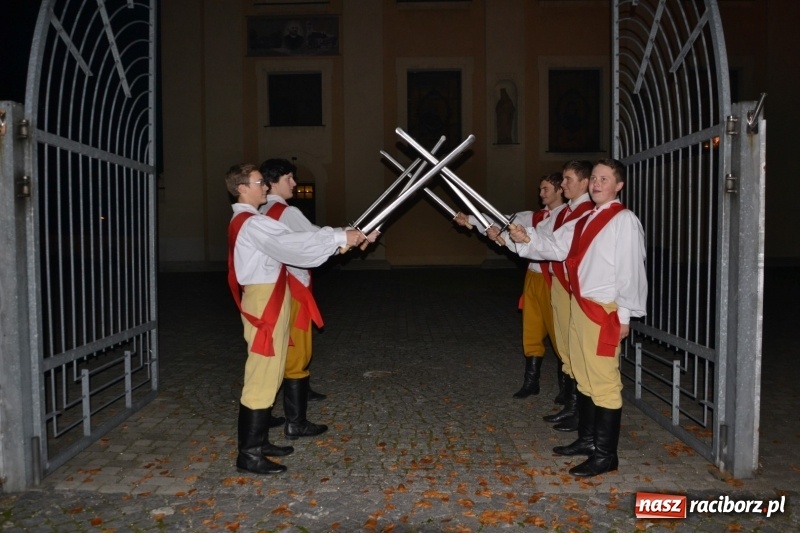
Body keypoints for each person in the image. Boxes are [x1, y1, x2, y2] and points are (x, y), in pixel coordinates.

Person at [226, 163, 375, 475]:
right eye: (258, 183)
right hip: (266, 299)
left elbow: (292, 245)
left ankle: (260, 442)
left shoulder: (252, 220)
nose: (264, 187)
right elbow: (293, 244)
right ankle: (249, 454)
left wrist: (341, 238)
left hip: (272, 294)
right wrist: (339, 237)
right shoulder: (252, 223)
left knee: (274, 368)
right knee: (263, 374)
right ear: (241, 188)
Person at [508, 158, 647, 477]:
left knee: (604, 382)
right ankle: (587, 439)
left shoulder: (623, 220)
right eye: (595, 178)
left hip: (603, 310)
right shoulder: (586, 219)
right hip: (580, 305)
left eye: (604, 179)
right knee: (583, 376)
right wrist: (526, 239)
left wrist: (624, 316)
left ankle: (606, 454)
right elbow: (556, 247)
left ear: (619, 185)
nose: (597, 183)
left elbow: (630, 271)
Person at [258, 158, 328, 441]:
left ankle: (266, 413)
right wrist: (348, 238)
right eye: (290, 178)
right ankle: (296, 423)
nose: (295, 184)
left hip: (268, 289)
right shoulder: (288, 212)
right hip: (291, 289)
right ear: (274, 181)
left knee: (272, 352)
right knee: (297, 353)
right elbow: (316, 239)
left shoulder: (259, 209)